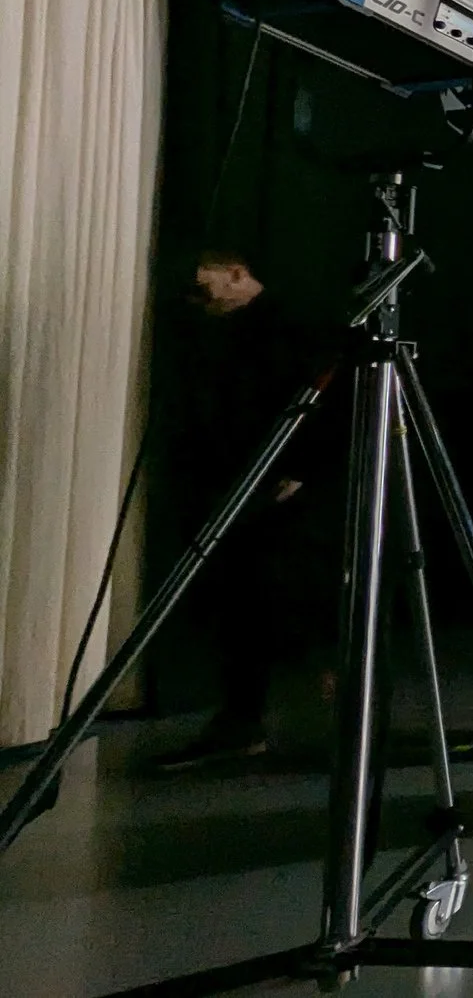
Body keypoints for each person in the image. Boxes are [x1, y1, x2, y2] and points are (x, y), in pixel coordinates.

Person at [150, 252, 328, 771]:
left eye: (205, 287)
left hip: (278, 490)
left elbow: (320, 398)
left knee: (272, 604)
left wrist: (299, 467)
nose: (199, 300)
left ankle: (264, 722)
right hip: (244, 480)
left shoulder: (287, 325)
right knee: (243, 608)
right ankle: (243, 720)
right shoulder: (231, 332)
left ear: (237, 273)